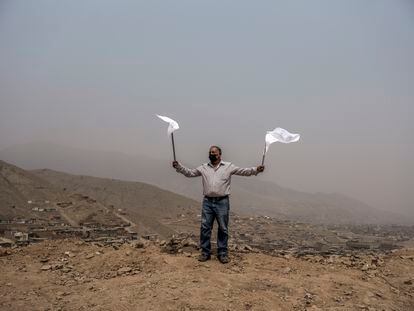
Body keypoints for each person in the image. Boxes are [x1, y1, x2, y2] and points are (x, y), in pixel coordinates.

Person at [172, 145, 264, 264]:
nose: (212, 154)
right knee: (205, 228)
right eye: (210, 152)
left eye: (214, 152)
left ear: (220, 154)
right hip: (208, 201)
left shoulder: (228, 166)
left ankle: (222, 253)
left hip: (222, 202)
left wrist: (256, 169)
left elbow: (244, 171)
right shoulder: (204, 167)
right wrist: (178, 166)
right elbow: (190, 173)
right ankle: (205, 252)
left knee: (223, 228)